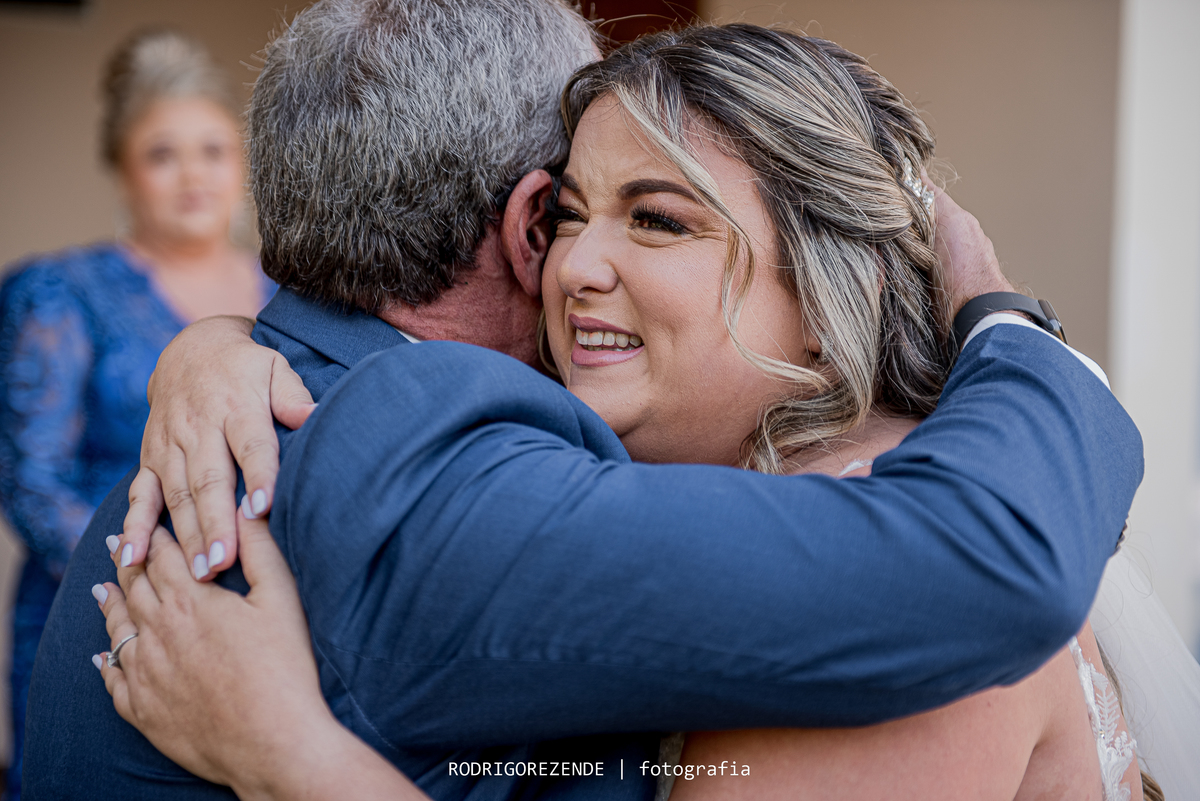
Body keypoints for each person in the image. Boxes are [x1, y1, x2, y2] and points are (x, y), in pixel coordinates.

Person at [22, 2, 1141, 800]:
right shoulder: (404, 452)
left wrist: (296, 761)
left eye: (656, 218)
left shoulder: (365, 426)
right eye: (571, 213)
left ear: (828, 283)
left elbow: (991, 558)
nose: (576, 264)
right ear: (526, 226)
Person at [0, 29, 273, 800]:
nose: (193, 175)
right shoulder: (59, 292)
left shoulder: (289, 292)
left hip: (260, 623)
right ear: (120, 167)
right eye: (161, 154)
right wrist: (152, 582)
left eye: (213, 150)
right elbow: (32, 483)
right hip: (93, 610)